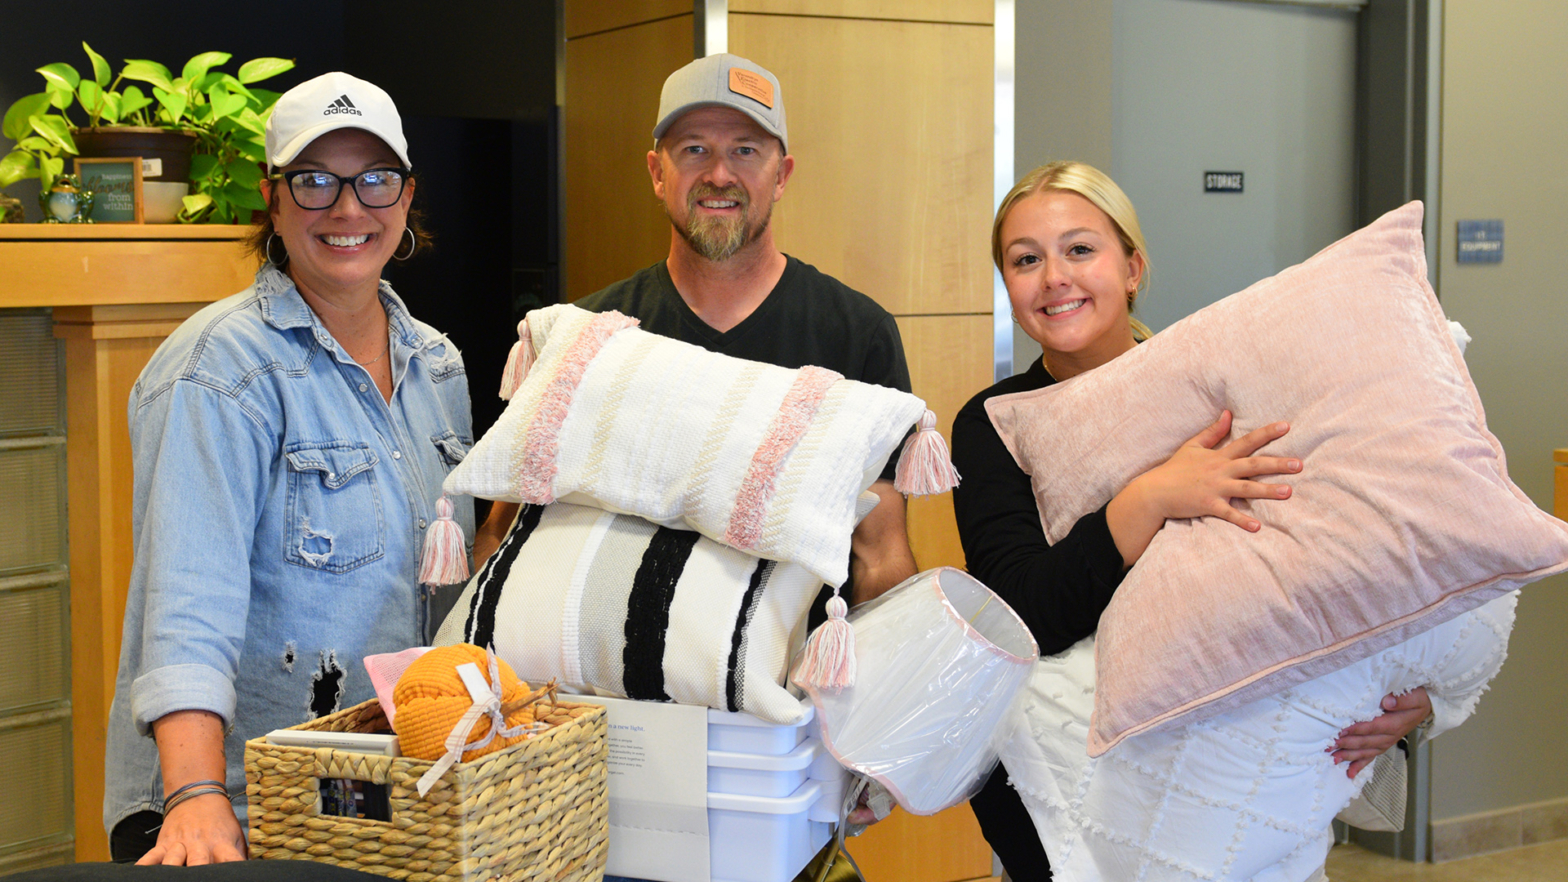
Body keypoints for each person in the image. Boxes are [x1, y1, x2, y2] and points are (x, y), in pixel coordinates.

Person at [950, 161, 1433, 879]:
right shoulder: (992, 426)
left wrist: (1411, 704)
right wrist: (1147, 499)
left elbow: (1327, 561)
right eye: (1026, 259)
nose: (1054, 276)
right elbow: (1022, 613)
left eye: (1080, 249)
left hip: (1242, 792)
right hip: (1076, 805)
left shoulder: (1219, 390)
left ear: (1133, 265)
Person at [103, 72, 475, 865]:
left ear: (407, 198)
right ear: (273, 201)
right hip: (238, 809)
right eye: (315, 182)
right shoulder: (219, 370)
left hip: (376, 795)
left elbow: (439, 588)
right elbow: (187, 601)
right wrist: (197, 799)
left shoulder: (438, 364)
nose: (348, 208)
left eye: (375, 180)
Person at [476, 52, 917, 612]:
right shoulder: (586, 339)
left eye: (745, 150)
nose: (719, 174)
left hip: (799, 686)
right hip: (618, 687)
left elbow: (880, 554)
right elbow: (499, 535)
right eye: (694, 149)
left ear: (781, 176)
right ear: (658, 174)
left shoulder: (856, 334)